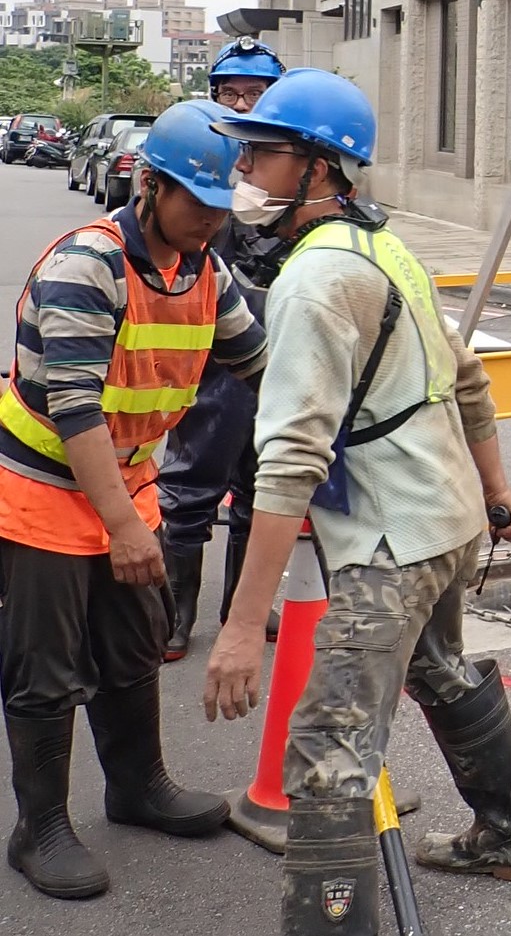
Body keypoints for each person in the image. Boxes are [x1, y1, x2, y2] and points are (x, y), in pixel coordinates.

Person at [198, 69, 511, 932]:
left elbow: (289, 461)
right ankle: (504, 833)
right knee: (439, 670)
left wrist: (241, 626)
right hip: (449, 518)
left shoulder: (315, 281)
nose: (247, 173)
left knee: (326, 749)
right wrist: (497, 494)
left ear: (320, 169)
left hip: (392, 543)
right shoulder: (385, 250)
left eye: (264, 155)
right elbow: (469, 380)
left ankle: (333, 922)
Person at [0, 100, 266, 899]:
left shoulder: (205, 272)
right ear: (149, 184)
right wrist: (123, 526)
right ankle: (38, 826)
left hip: (129, 481)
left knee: (132, 646)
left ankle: (138, 784)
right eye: (199, 203)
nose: (214, 221)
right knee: (46, 668)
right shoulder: (89, 263)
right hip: (42, 488)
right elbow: (76, 408)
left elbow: (261, 365)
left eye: (225, 207)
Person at [157, 35, 288, 660]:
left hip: (275, 346)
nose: (241, 103)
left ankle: (246, 607)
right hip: (211, 352)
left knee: (262, 487)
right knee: (191, 485)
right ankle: (175, 616)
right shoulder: (203, 158)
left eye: (254, 94)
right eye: (230, 93)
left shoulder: (286, 165)